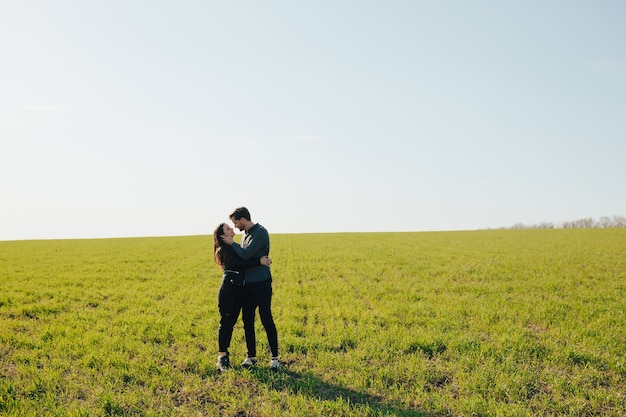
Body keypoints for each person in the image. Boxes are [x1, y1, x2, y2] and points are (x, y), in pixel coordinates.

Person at [221, 206, 280, 371]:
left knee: (266, 318)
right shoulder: (245, 235)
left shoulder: (261, 232)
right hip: (247, 285)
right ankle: (251, 356)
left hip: (261, 283)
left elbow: (245, 254)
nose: (235, 226)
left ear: (243, 219)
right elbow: (243, 257)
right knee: (247, 320)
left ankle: (275, 358)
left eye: (235, 222)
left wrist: (232, 243)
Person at [213, 222, 271, 372]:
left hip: (239, 290)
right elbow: (240, 263)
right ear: (222, 236)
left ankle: (236, 356)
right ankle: (222, 358)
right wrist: (259, 261)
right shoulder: (222, 250)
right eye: (227, 229)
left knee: (234, 322)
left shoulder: (233, 246)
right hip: (228, 291)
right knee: (226, 323)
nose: (232, 228)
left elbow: (244, 257)